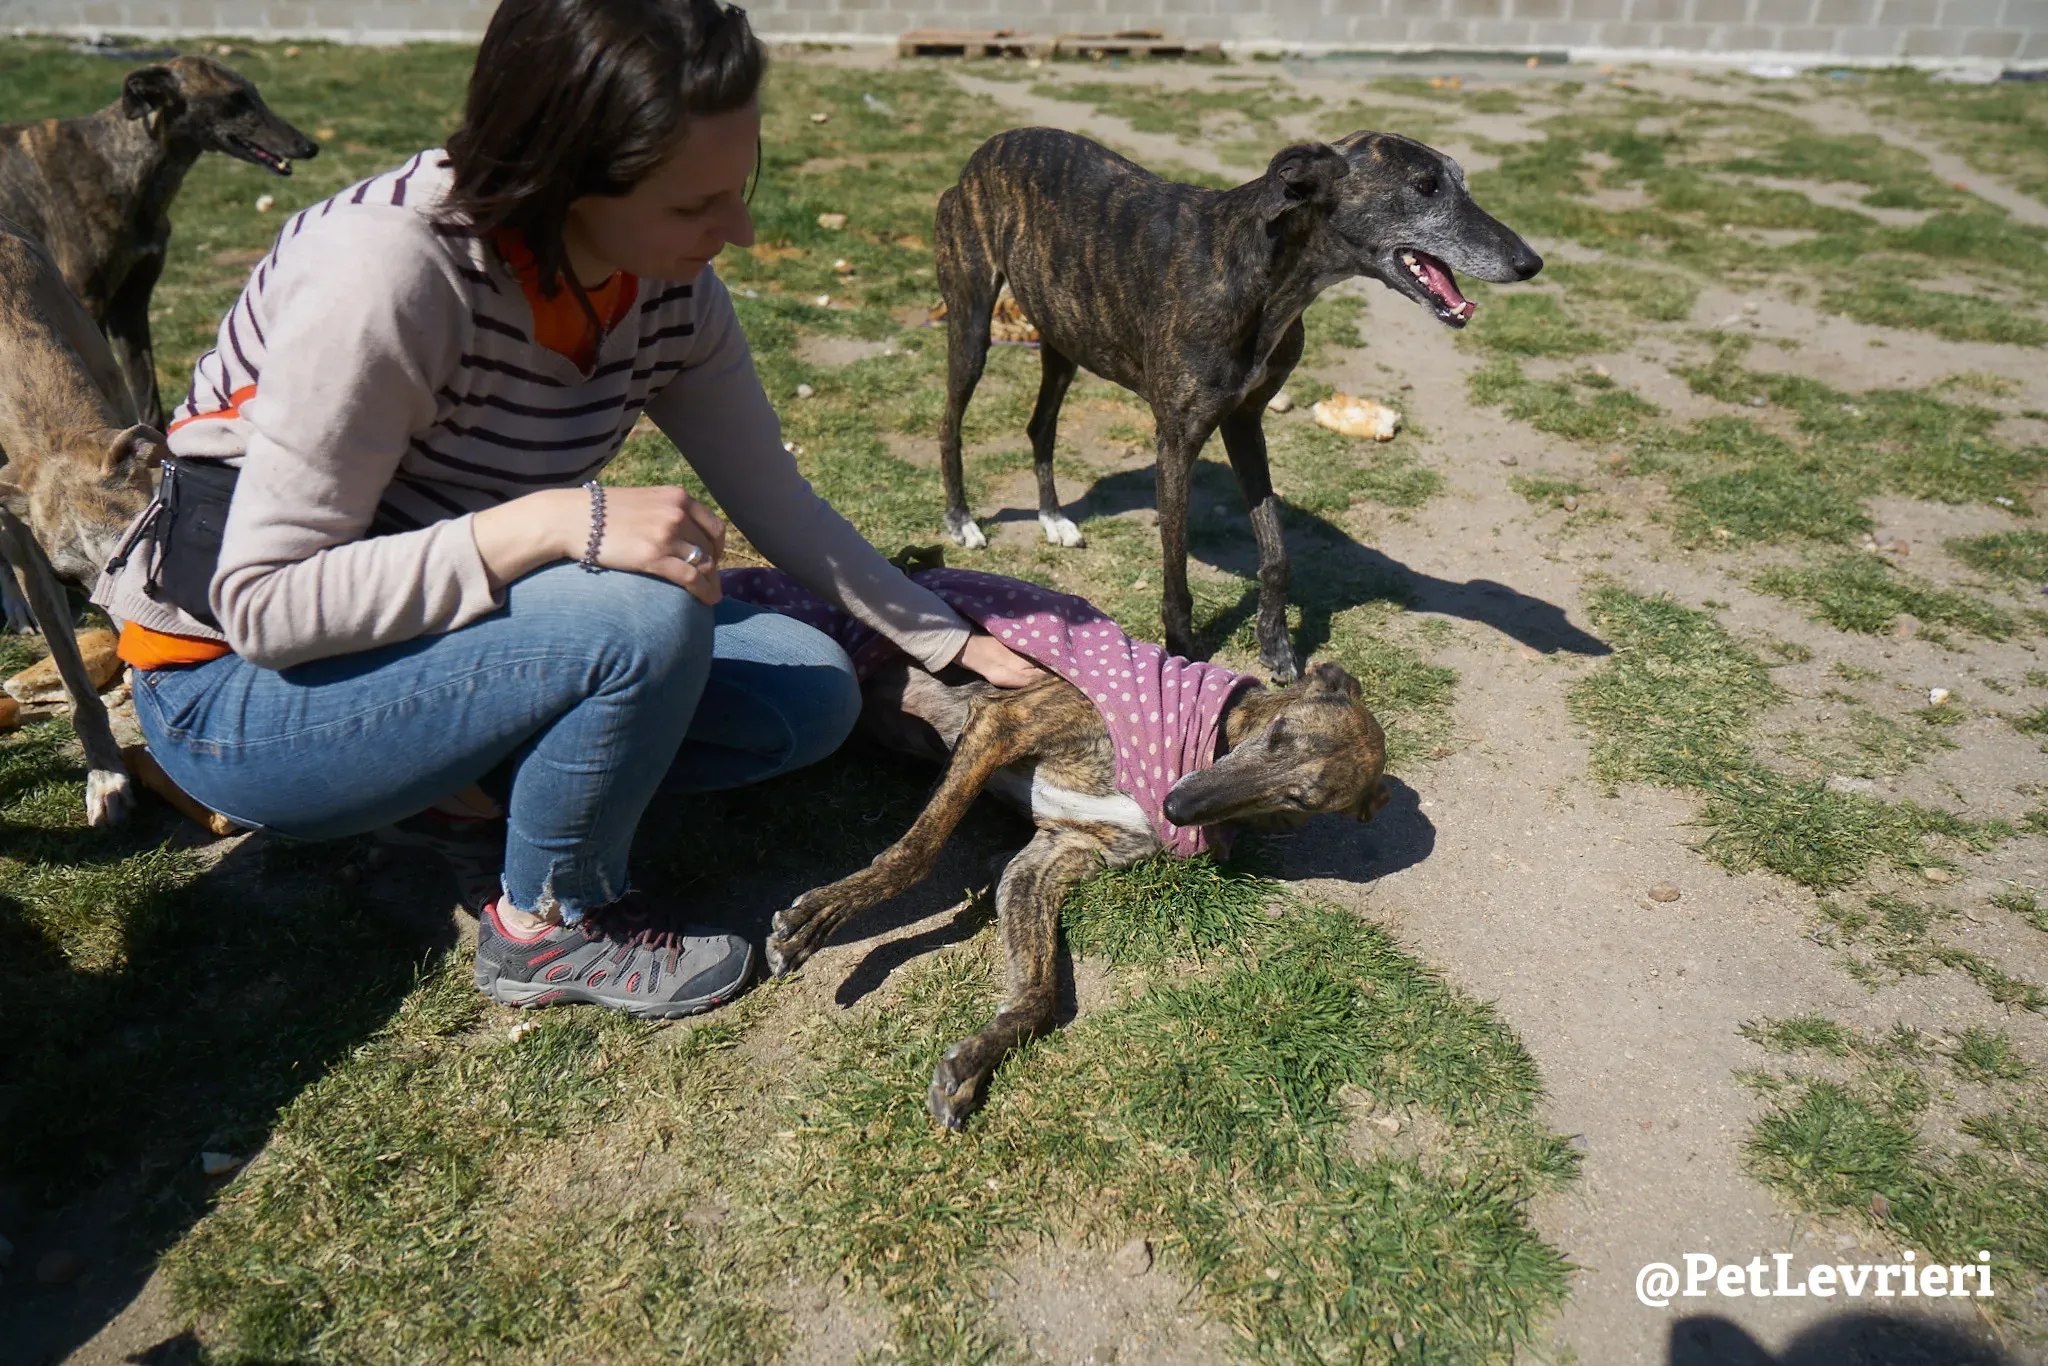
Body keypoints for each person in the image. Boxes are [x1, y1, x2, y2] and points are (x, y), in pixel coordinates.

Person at [91, 0, 1042, 1020]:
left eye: (741, 184)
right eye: (694, 206)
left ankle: (457, 796)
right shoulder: (387, 274)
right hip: (240, 696)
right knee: (638, 616)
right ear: (559, 178)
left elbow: (773, 493)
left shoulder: (661, 287)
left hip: (426, 639)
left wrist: (943, 639)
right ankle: (548, 925)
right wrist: (553, 524)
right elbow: (266, 608)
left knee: (807, 697)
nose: (739, 232)